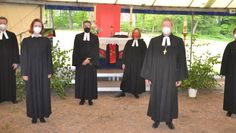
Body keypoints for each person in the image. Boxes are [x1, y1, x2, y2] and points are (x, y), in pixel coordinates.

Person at [140, 18, 188, 130]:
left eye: (168, 25)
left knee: (170, 97)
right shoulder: (154, 41)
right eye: (164, 25)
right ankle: (156, 119)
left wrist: (179, 77)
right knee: (156, 96)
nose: (166, 27)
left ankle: (169, 120)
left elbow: (181, 60)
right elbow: (148, 59)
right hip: (156, 75)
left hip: (171, 76)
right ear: (161, 27)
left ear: (172, 27)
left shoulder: (178, 41)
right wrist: (148, 76)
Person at [21, 18, 53, 124]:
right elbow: (24, 58)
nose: (37, 27)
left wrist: (49, 71)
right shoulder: (26, 41)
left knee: (44, 92)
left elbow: (49, 57)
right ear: (32, 27)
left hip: (44, 70)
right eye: (36, 25)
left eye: (39, 26)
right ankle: (34, 115)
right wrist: (24, 73)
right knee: (32, 92)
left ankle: (42, 115)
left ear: (42, 28)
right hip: (31, 71)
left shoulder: (46, 41)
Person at [72, 20, 99, 106]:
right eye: (85, 25)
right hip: (81, 64)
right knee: (81, 81)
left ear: (90, 27)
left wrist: (88, 60)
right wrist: (81, 61)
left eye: (88, 25)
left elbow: (95, 50)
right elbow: (76, 50)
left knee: (90, 81)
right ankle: (82, 98)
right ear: (83, 26)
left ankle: (90, 99)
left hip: (91, 63)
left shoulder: (95, 37)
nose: (87, 27)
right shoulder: (78, 37)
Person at [116, 28, 147, 98]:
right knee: (126, 77)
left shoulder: (142, 43)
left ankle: (135, 92)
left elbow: (145, 54)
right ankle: (123, 91)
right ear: (133, 34)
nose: (136, 34)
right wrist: (123, 63)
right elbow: (125, 53)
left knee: (137, 78)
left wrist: (143, 64)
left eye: (137, 32)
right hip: (129, 64)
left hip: (138, 65)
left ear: (139, 34)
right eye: (135, 32)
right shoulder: (129, 42)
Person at [0, 16, 19, 104]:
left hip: (10, 63)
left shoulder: (12, 35)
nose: (2, 25)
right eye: (0, 23)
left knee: (11, 79)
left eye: (4, 23)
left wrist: (16, 62)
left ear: (6, 24)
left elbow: (16, 48)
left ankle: (12, 97)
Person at [220, 28, 236, 117]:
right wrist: (223, 71)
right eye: (235, 33)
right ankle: (229, 109)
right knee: (230, 91)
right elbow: (225, 59)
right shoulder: (230, 45)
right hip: (231, 73)